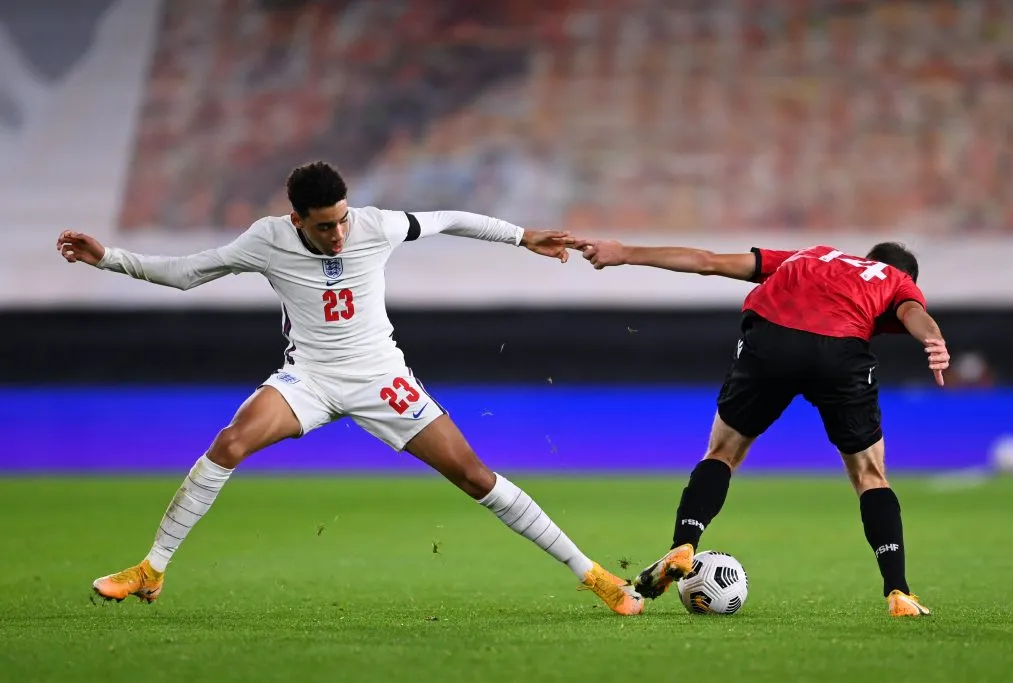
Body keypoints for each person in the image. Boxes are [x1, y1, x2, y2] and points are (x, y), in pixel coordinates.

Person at [57, 161, 643, 616]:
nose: (338, 233)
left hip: (380, 377)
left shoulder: (375, 225)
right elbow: (187, 273)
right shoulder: (267, 240)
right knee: (229, 444)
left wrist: (523, 237)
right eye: (323, 225)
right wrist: (106, 258)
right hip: (308, 378)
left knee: (475, 477)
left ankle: (594, 575)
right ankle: (151, 570)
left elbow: (450, 219)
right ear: (296, 221)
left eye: (341, 219)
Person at [573, 239, 950, 617]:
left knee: (722, 452)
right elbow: (914, 312)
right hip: (840, 351)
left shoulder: (811, 255)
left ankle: (685, 543)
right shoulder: (895, 279)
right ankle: (899, 593)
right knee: (870, 476)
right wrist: (933, 339)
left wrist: (624, 254)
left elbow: (708, 259)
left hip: (770, 340)